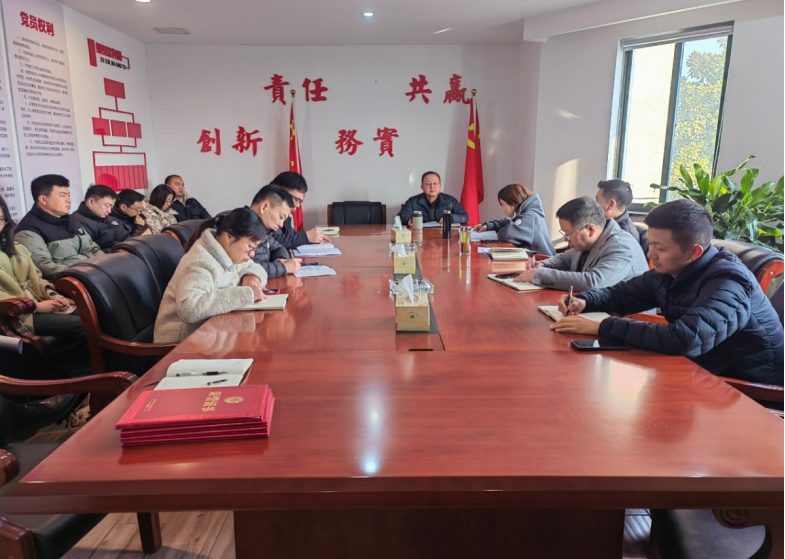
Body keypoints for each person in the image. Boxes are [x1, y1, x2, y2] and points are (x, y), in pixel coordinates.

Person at [551, 199, 783, 386]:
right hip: (699, 369)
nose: (650, 254)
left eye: (659, 248)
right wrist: (584, 300)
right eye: (650, 244)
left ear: (694, 252)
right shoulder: (671, 270)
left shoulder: (729, 282)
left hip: (743, 386)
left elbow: (686, 339)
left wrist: (603, 326)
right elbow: (621, 295)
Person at [154, 207, 268, 343]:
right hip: (180, 345)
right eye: (250, 247)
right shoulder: (201, 262)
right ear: (229, 237)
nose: (252, 254)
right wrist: (246, 294)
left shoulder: (229, 252)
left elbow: (253, 266)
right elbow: (189, 309)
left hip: (210, 336)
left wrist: (250, 276)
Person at [0, 195, 87, 359]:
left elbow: (37, 279)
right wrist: (34, 307)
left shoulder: (15, 247)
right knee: (85, 324)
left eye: (2, 219)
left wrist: (53, 295)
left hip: (38, 302)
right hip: (15, 315)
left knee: (93, 314)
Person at [513, 196, 648, 291]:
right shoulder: (587, 242)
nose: (566, 240)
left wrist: (539, 275)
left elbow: (593, 282)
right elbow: (564, 259)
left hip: (625, 316)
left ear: (590, 229)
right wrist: (542, 265)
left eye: (569, 234)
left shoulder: (620, 246)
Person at [14, 175, 102, 280]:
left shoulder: (71, 219)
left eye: (69, 195)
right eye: (63, 196)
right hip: (72, 281)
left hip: (93, 274)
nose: (69, 200)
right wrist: (88, 271)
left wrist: (104, 264)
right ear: (43, 199)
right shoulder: (28, 231)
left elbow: (93, 248)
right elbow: (46, 269)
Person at [474, 183, 555, 256]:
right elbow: (507, 222)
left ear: (512, 203)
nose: (502, 208)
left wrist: (502, 230)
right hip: (535, 260)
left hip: (542, 262)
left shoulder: (529, 217)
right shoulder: (526, 213)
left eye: (502, 204)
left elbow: (507, 234)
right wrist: (489, 226)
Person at [248, 184, 301, 278]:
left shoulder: (263, 229)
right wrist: (284, 267)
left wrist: (280, 259)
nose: (281, 225)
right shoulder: (239, 225)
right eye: (281, 217)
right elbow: (245, 267)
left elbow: (278, 247)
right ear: (264, 207)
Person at [270, 171, 326, 248]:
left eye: (300, 201)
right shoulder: (265, 214)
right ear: (279, 192)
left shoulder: (286, 215)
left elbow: (290, 235)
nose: (297, 205)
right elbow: (269, 241)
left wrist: (313, 238)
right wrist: (305, 237)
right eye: (296, 200)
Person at [595, 179, 648, 253]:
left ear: (611, 204)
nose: (594, 205)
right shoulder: (606, 223)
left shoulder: (624, 237)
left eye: (597, 201)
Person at [73, 184, 131, 251]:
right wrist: (117, 251)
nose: (109, 211)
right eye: (107, 206)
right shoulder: (76, 222)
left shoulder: (110, 219)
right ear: (91, 202)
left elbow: (127, 237)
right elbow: (89, 252)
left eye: (111, 207)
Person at [398, 171, 469, 226]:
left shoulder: (450, 201)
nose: (432, 187)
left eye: (435, 183)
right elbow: (401, 217)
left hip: (443, 236)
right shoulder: (413, 201)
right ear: (422, 187)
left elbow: (464, 217)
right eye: (428, 184)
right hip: (420, 235)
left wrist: (450, 218)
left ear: (440, 186)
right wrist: (408, 220)